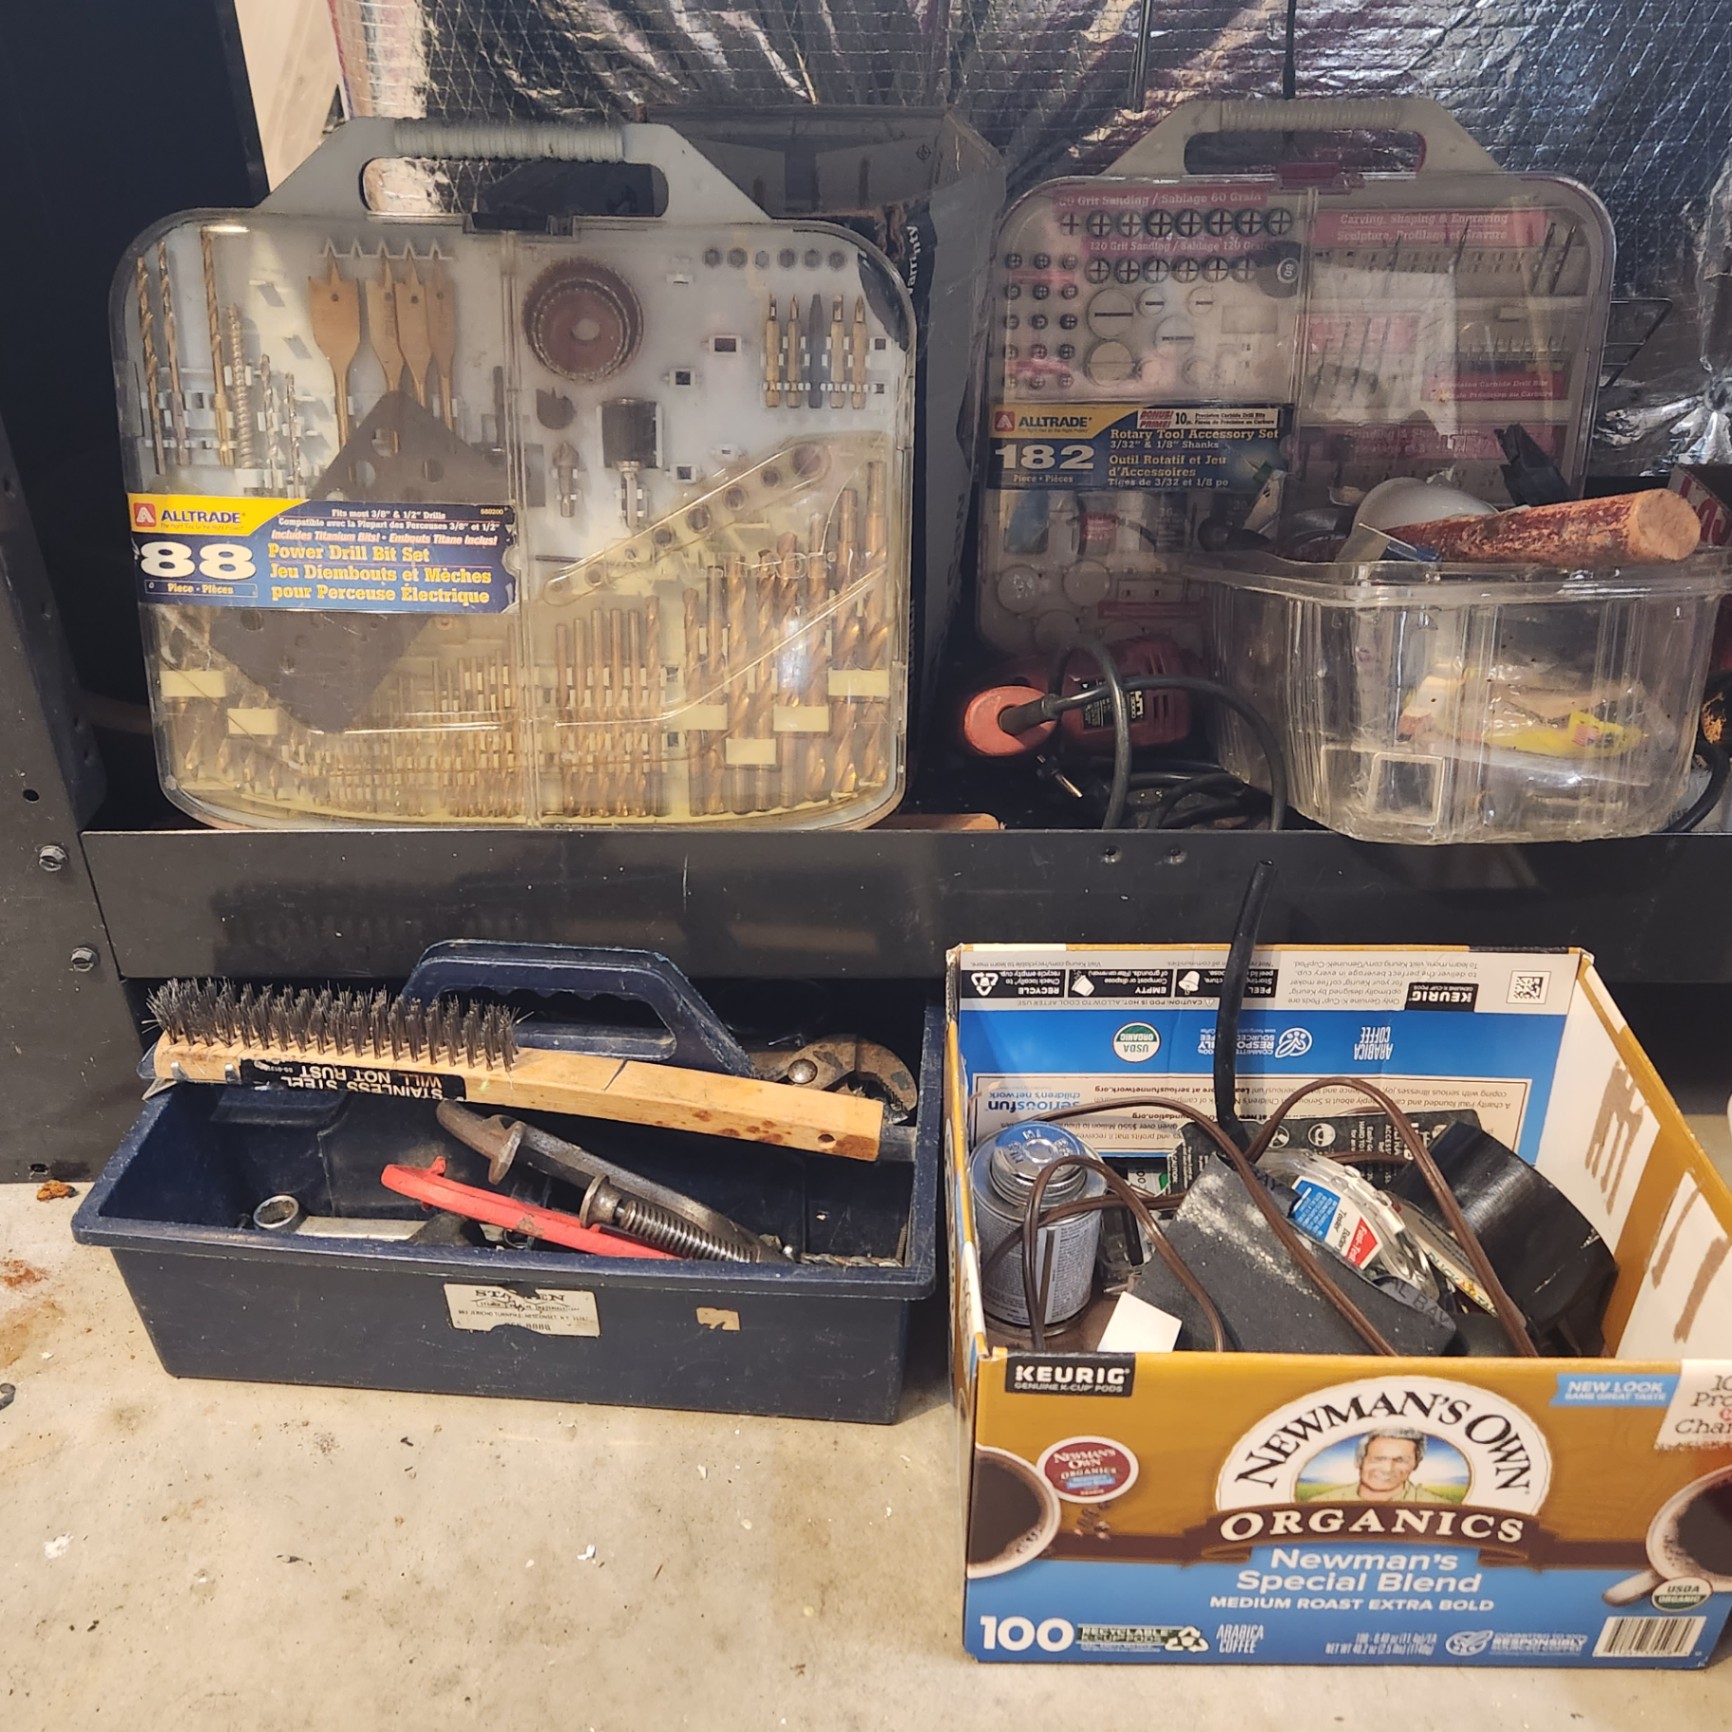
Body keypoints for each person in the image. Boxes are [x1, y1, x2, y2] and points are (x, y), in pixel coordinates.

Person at [1310, 1429, 1446, 1504]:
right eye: (1379, 1459)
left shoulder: (1438, 1505)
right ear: (1358, 1461)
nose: (1388, 1469)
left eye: (1400, 1460)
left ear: (1415, 1464)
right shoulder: (1321, 1503)